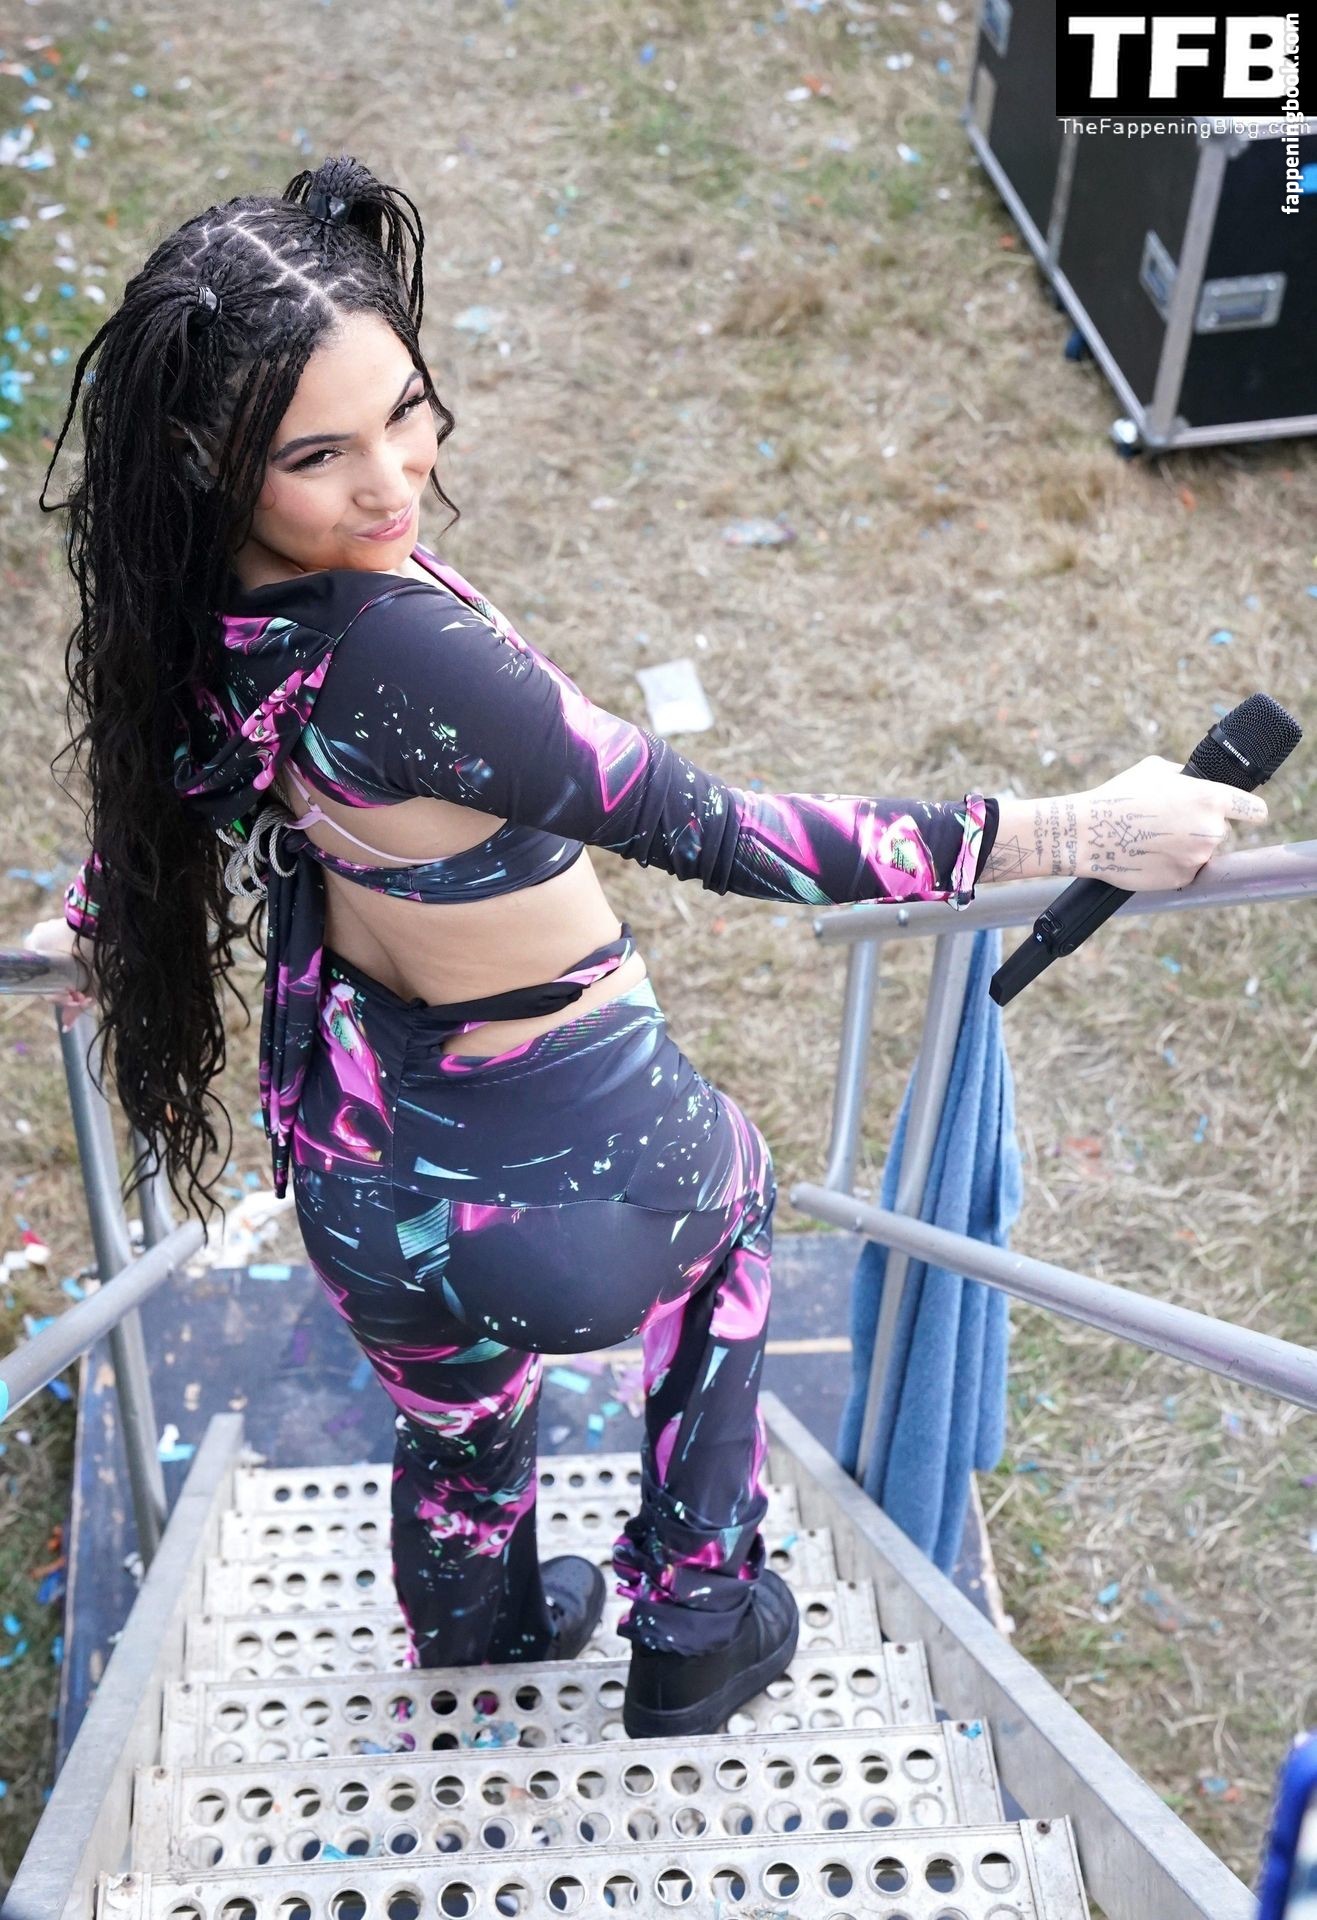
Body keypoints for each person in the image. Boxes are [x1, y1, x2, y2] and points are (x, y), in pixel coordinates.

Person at [23, 154, 1267, 1742]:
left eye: (405, 412)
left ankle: (480, 1641)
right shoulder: (406, 654)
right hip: (571, 1183)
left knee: (459, 1436)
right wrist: (1084, 830)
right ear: (214, 458)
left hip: (353, 1169)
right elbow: (728, 833)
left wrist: (95, 923)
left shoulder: (196, 608)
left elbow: (166, 798)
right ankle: (694, 1618)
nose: (392, 483)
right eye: (319, 455)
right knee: (735, 1205)